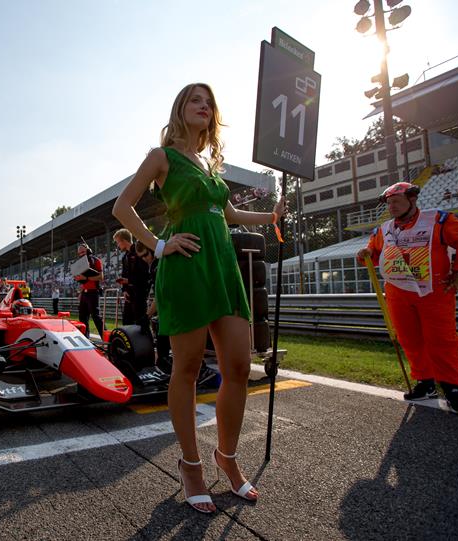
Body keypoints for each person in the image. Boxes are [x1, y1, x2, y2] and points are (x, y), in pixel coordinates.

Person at [112, 83, 286, 513]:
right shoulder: (161, 157)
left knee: (239, 366)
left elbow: (229, 214)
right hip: (186, 265)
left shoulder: (209, 165)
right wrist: (158, 245)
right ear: (180, 108)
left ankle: (227, 457)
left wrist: (271, 216)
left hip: (223, 266)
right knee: (187, 368)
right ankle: (191, 465)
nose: (204, 107)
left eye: (209, 103)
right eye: (196, 100)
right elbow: (122, 207)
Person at [357, 182, 458, 415]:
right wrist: (366, 253)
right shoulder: (384, 229)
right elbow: (374, 254)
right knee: (410, 339)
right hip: (398, 292)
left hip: (434, 292)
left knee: (442, 341)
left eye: (396, 202)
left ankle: (452, 388)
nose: (392, 207)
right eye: (389, 203)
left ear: (412, 200)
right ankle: (425, 382)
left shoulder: (437, 220)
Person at [134, 240, 171, 366]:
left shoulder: (158, 265)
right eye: (141, 257)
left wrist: (147, 315)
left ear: (152, 249)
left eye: (146, 255)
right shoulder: (156, 264)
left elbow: (160, 296)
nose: (145, 259)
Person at [113, 228, 150, 328]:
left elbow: (145, 275)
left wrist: (129, 281)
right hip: (129, 295)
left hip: (140, 293)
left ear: (124, 241)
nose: (118, 245)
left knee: (140, 323)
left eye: (118, 242)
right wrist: (124, 290)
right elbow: (124, 275)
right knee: (126, 322)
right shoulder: (125, 257)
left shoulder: (139, 252)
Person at [74, 243, 106, 339]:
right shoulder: (80, 263)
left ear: (88, 250)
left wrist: (86, 278)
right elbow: (83, 282)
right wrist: (81, 292)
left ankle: (106, 338)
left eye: (83, 252)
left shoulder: (96, 260)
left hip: (94, 292)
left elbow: (101, 277)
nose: (81, 254)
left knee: (96, 317)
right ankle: (85, 339)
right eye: (79, 253)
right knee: (82, 318)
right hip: (84, 293)